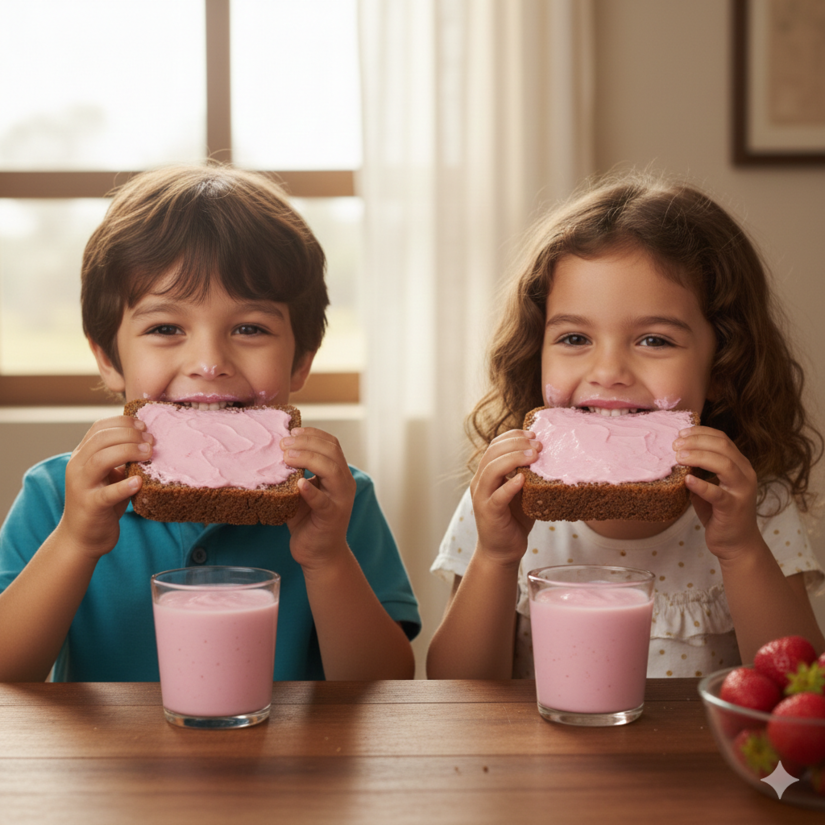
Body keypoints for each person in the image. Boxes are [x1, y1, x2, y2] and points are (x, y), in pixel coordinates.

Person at [0, 163, 419, 683]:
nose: (209, 362)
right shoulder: (55, 496)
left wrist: (327, 557)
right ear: (108, 359)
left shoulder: (335, 500)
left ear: (301, 361)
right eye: (165, 327)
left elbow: (385, 686)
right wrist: (75, 541)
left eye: (249, 328)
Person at [427, 171, 825, 680]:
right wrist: (495, 557)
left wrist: (741, 549)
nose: (609, 371)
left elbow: (798, 691)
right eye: (575, 339)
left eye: (654, 340)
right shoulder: (502, 499)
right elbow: (456, 691)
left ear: (724, 367)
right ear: (535, 354)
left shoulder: (756, 504)